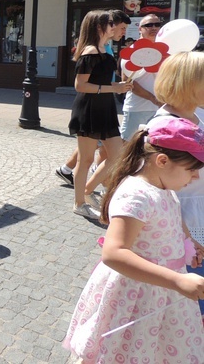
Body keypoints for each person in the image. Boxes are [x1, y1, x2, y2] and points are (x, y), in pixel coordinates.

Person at [63, 117, 204, 362]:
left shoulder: (165, 187)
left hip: (163, 292)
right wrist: (178, 281)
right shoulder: (137, 196)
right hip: (136, 297)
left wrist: (188, 243)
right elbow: (114, 253)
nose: (195, 177)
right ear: (162, 161)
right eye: (192, 169)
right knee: (127, 351)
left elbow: (172, 220)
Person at [149, 51, 204, 318]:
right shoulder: (167, 127)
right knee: (189, 297)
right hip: (185, 221)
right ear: (188, 84)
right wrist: (188, 238)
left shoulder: (196, 116)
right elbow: (162, 188)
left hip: (197, 212)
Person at [68, 10, 132, 219]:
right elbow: (80, 85)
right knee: (85, 160)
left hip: (105, 108)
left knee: (119, 155)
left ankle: (87, 191)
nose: (114, 27)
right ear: (98, 27)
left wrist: (117, 86)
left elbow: (100, 82)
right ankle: (79, 203)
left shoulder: (103, 49)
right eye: (111, 23)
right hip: (89, 109)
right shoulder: (90, 52)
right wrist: (113, 88)